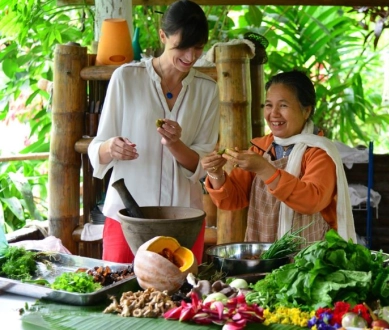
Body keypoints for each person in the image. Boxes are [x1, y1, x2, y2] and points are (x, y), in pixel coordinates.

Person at [88, 0, 219, 264]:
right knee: (117, 297)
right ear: (163, 36)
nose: (191, 57)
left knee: (183, 301)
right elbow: (98, 145)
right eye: (181, 47)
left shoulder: (208, 89)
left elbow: (202, 164)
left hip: (184, 220)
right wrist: (110, 147)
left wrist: (175, 144)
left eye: (198, 48)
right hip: (127, 219)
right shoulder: (127, 78)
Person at [201, 70, 356, 245]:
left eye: (283, 105)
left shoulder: (319, 152)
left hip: (308, 257)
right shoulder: (261, 149)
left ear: (306, 111)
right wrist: (216, 174)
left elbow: (311, 201)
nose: (273, 114)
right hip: (264, 253)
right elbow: (231, 200)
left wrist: (264, 169)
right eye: (268, 105)